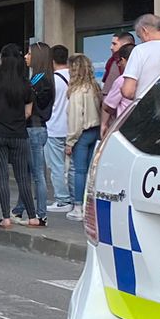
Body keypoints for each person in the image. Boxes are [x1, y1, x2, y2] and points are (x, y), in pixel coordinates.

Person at [0, 42, 39, 229]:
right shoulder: (27, 85)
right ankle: (32, 217)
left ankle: (5, 218)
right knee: (23, 177)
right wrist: (15, 121)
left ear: (1, 60)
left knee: (2, 176)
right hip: (19, 135)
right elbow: (28, 112)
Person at [63, 59, 103, 220]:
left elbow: (75, 120)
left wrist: (70, 141)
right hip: (95, 130)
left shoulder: (77, 92)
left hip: (82, 133)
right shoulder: (94, 87)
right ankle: (88, 206)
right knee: (89, 171)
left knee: (78, 171)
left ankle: (78, 206)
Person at [27, 41, 61, 216]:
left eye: (29, 54)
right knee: (29, 173)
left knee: (37, 174)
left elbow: (31, 105)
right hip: (38, 127)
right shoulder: (41, 78)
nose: (26, 57)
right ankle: (21, 208)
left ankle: (40, 214)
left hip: (35, 128)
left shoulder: (39, 80)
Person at [119, 14, 160, 107]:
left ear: (144, 31)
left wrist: (122, 89)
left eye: (139, 36)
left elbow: (128, 92)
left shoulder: (139, 50)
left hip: (148, 110)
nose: (141, 41)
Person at [44, 43, 74, 210]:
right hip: (73, 128)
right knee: (74, 167)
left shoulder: (52, 80)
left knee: (56, 165)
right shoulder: (75, 77)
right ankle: (75, 198)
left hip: (54, 127)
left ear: (52, 60)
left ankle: (63, 199)